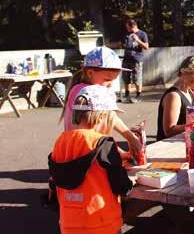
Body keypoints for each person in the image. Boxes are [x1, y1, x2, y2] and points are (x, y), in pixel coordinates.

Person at [49, 85, 134, 234]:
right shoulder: (103, 143)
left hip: (69, 222)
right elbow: (120, 185)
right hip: (101, 221)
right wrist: (131, 183)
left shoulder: (60, 141)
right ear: (102, 117)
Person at [61, 46, 140, 157]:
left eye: (114, 79)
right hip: (83, 157)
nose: (111, 84)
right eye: (107, 80)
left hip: (90, 152)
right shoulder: (84, 95)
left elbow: (110, 117)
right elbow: (92, 136)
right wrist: (120, 151)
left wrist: (130, 138)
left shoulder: (94, 93)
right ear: (90, 73)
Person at [156, 56, 194, 140]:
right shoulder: (173, 96)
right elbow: (169, 131)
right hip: (167, 147)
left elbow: (189, 120)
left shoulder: (189, 92)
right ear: (184, 72)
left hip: (182, 142)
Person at [121, 19, 149, 103]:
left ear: (132, 26)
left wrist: (137, 40)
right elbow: (122, 44)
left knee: (137, 78)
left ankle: (138, 96)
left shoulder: (142, 34)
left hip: (136, 60)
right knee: (126, 78)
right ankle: (127, 95)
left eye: (127, 27)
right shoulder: (127, 35)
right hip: (126, 59)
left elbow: (146, 47)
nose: (127, 29)